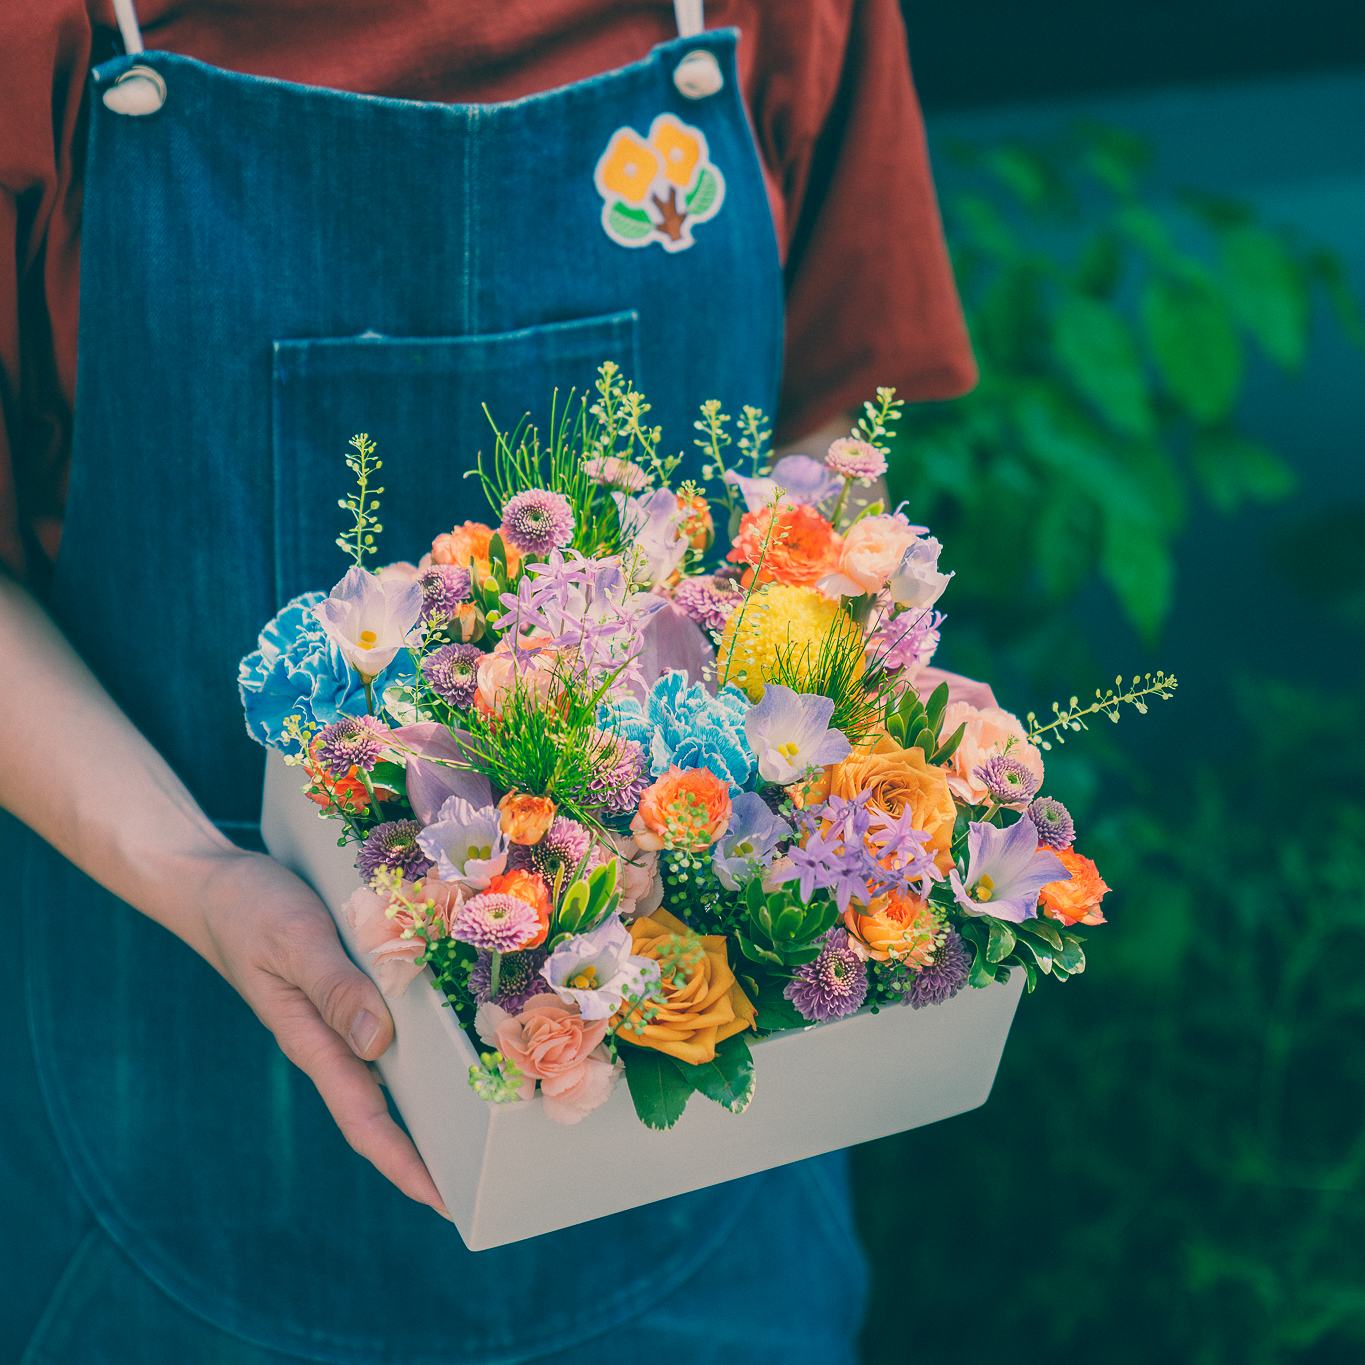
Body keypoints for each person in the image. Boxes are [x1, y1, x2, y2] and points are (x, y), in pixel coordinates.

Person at [0, 1, 975, 1360]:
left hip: (698, 1183)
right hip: (169, 1126)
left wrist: (846, 694)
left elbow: (828, 407)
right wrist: (203, 877)